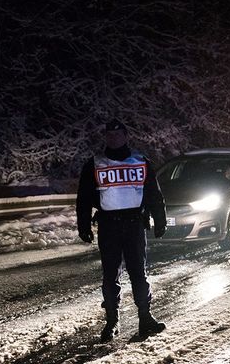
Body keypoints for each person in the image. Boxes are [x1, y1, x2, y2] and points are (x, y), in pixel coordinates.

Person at [76, 119, 167, 343]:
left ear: (126, 136)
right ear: (106, 137)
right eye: (109, 135)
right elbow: (84, 197)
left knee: (138, 272)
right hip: (109, 225)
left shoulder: (141, 161)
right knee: (110, 275)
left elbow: (154, 193)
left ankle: (145, 318)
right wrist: (83, 225)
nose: (113, 138)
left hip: (134, 223)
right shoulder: (95, 164)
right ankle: (111, 321)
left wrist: (160, 219)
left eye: (118, 135)